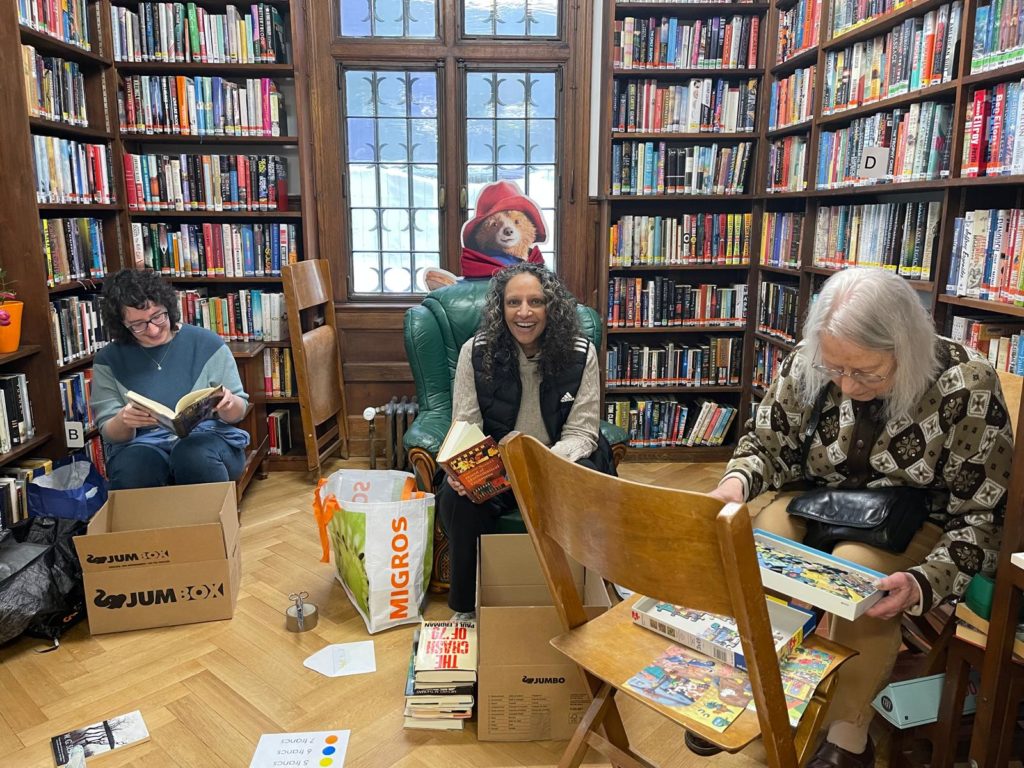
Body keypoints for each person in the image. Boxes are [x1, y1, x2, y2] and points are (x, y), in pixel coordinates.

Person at [707, 268, 1014, 767]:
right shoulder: (813, 361)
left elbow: (983, 514)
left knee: (856, 575)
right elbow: (765, 445)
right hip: (816, 499)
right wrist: (737, 483)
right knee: (757, 543)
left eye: (868, 373)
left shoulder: (966, 384)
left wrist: (923, 583)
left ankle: (847, 731)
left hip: (912, 520)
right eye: (836, 370)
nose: (847, 386)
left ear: (907, 347)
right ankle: (753, 693)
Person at [436, 262, 616, 621]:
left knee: (592, 482)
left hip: (558, 461)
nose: (524, 312)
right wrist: (462, 466)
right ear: (500, 309)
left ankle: (591, 588)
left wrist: (539, 461)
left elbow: (582, 431)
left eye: (535, 301)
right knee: (458, 498)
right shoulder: (476, 352)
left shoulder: (582, 353)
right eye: (513, 302)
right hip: (498, 465)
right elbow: (466, 424)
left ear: (552, 307)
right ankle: (466, 610)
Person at [92, 269, 250, 490]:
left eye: (158, 316)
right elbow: (110, 432)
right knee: (133, 468)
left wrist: (229, 404)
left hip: (208, 441)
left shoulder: (207, 344)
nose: (154, 330)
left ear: (168, 307)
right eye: (138, 325)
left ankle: (211, 523)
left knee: (192, 455)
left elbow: (238, 412)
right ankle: (148, 526)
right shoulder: (108, 360)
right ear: (122, 325)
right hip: (143, 444)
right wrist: (123, 421)